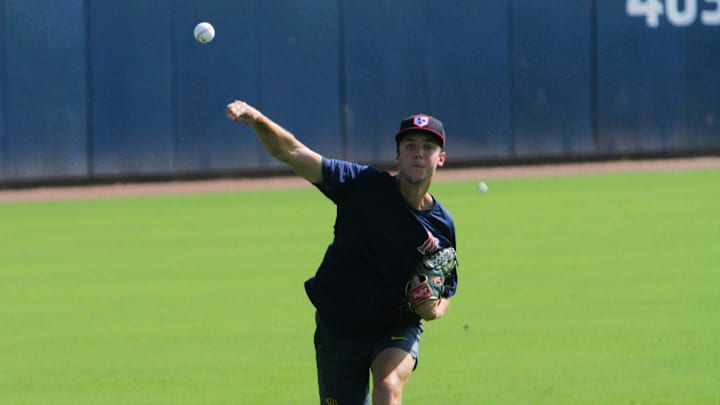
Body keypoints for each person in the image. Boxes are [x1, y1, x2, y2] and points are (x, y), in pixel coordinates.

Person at [226, 100, 458, 405]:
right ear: (397, 155)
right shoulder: (361, 185)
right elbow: (293, 152)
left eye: (427, 147)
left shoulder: (441, 225)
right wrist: (256, 118)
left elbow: (447, 290)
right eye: (410, 144)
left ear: (440, 158)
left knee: (388, 388)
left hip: (395, 324)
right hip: (340, 324)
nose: (418, 152)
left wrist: (433, 309)